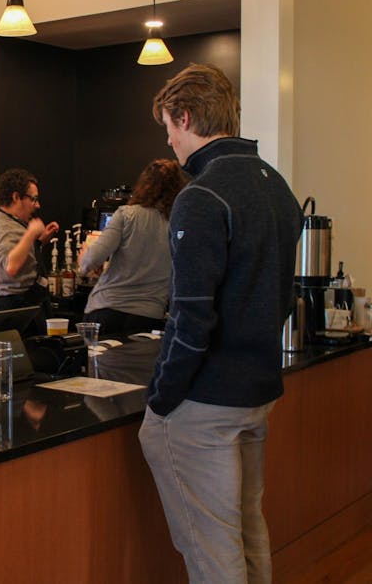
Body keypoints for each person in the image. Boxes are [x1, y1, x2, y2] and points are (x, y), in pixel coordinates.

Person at [137, 64, 302, 583]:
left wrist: (162, 397)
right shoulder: (277, 187)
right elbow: (284, 298)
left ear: (186, 118)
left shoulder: (201, 197)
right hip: (258, 390)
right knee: (246, 525)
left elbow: (191, 319)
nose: (170, 143)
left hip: (207, 399)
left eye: (169, 129)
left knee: (212, 546)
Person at [78, 158, 187, 337]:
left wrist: (83, 257)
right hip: (149, 316)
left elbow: (90, 262)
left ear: (144, 185)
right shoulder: (178, 224)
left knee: (100, 364)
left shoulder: (126, 215)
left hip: (108, 310)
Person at [0, 168, 59, 334]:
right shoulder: (2, 225)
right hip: (19, 310)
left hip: (32, 306)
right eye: (33, 199)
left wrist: (39, 241)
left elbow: (20, 253)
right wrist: (31, 233)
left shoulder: (13, 222)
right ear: (16, 197)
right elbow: (11, 265)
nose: (37, 205)